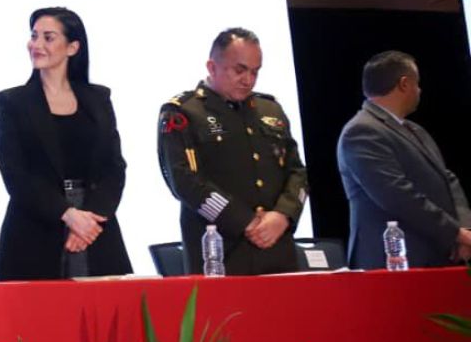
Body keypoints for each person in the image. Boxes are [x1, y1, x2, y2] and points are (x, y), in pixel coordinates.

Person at [0, 8, 131, 280]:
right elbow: (15, 173)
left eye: (48, 37)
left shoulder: (98, 99)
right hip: (36, 226)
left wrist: (89, 219)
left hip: (94, 227)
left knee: (105, 303)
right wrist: (67, 214)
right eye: (34, 36)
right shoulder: (14, 102)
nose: (36, 45)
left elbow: (114, 167)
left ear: (72, 47)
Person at [157, 28, 307, 275]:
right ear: (212, 67)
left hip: (277, 247)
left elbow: (297, 171)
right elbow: (184, 181)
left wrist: (283, 215)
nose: (248, 80)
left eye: (255, 71)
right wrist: (244, 221)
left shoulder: (270, 109)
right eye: (239, 70)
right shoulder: (184, 112)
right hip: (219, 250)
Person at [337, 51, 471, 268]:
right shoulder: (361, 131)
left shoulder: (416, 130)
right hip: (393, 262)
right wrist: (456, 234)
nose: (420, 90)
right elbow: (397, 195)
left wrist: (466, 230)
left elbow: (448, 179)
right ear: (404, 84)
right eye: (417, 84)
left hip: (435, 257)